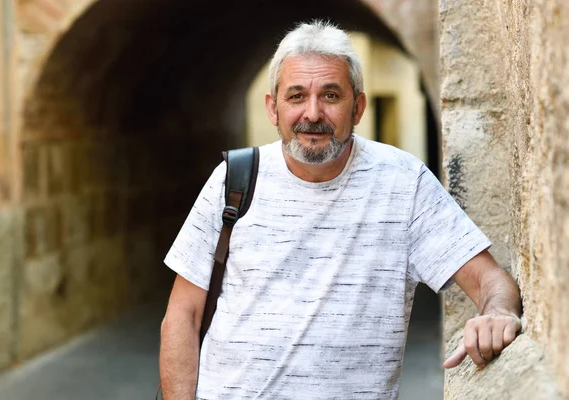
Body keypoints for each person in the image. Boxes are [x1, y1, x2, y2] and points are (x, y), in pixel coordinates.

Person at [159, 20, 522, 399]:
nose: (312, 113)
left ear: (358, 106)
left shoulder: (403, 183)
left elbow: (489, 279)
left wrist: (497, 312)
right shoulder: (233, 180)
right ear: (273, 108)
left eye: (330, 95)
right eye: (296, 96)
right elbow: (183, 316)